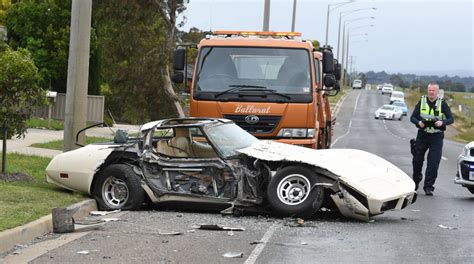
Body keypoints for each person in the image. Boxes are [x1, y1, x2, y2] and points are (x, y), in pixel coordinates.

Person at [410, 83, 454, 195]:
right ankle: (415, 181)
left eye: (433, 90)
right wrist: (419, 122)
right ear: (427, 91)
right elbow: (412, 117)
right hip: (423, 135)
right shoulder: (421, 101)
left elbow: (451, 119)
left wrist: (442, 122)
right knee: (417, 160)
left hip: (437, 136)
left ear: (437, 92)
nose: (431, 92)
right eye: (429, 90)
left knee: (433, 163)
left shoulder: (442, 104)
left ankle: (428, 187)